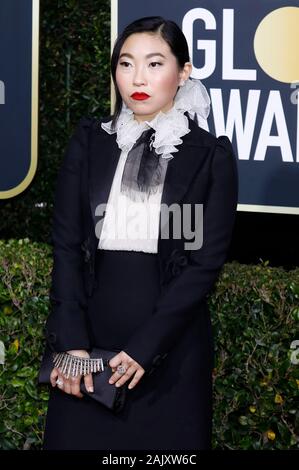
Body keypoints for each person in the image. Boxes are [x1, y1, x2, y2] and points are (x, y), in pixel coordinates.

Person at [42, 16, 238, 450]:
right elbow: (67, 245)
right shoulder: (90, 141)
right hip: (87, 346)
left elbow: (204, 263)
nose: (138, 79)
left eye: (154, 64)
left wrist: (145, 348)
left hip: (170, 351)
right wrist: (72, 342)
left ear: (183, 72)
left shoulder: (211, 156)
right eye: (126, 64)